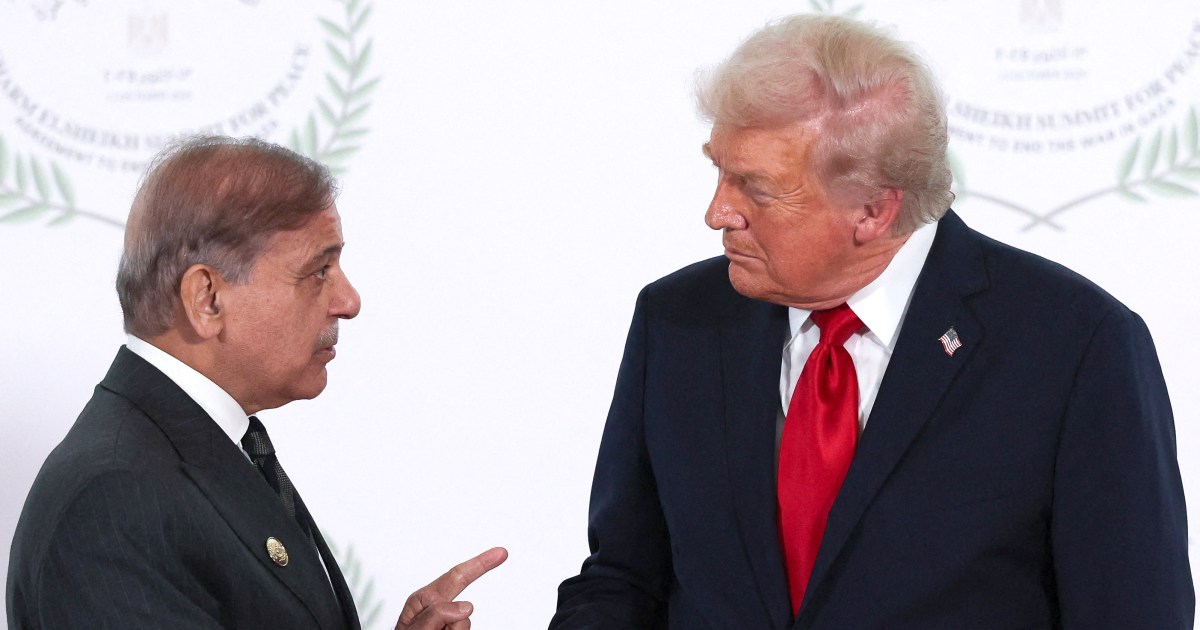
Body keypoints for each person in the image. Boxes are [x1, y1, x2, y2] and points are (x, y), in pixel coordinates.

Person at [551, 14, 1193, 629]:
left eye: (756, 187)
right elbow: (625, 580)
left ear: (873, 212)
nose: (718, 212)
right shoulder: (678, 321)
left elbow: (1132, 613)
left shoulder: (1075, 347)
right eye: (718, 171)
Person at [6, 136, 506, 629]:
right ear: (207, 299)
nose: (348, 301)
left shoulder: (194, 452)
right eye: (318, 270)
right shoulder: (115, 502)